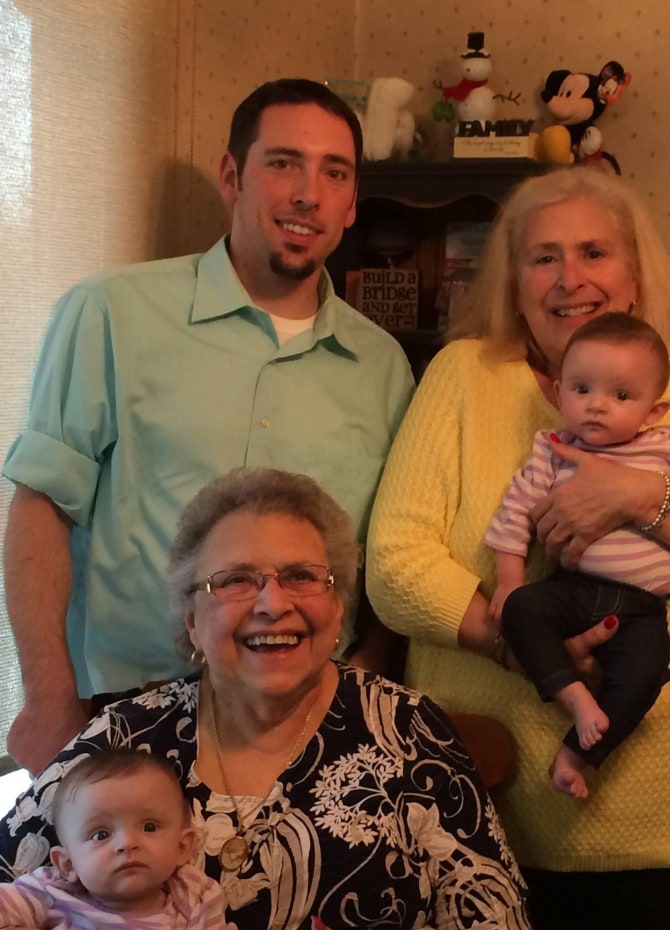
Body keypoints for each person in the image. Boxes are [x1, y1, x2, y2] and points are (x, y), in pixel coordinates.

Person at [366, 165, 670, 930]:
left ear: (636, 273)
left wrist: (636, 496)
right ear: (514, 281)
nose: (569, 278)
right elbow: (395, 564)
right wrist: (519, 640)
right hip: (487, 804)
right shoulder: (463, 375)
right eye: (543, 257)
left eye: (594, 252)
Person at [2, 77, 415, 775]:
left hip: (306, 730)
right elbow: (42, 506)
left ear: (350, 203)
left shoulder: (383, 368)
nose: (308, 193)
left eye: (333, 172)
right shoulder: (111, 313)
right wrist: (47, 696)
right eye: (283, 163)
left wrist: (363, 691)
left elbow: (386, 561)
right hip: (123, 717)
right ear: (232, 176)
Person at [0, 467, 532, 930]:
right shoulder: (124, 737)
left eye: (302, 576)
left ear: (338, 604)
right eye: (234, 580)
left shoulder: (408, 729)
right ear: (191, 621)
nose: (274, 604)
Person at [485, 313, 670, 798]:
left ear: (655, 411)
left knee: (647, 676)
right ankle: (573, 696)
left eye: (622, 395)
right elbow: (514, 515)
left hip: (641, 608)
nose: (597, 406)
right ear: (558, 393)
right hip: (574, 592)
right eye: (582, 389)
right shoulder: (552, 452)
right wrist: (508, 580)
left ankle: (577, 755)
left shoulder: (669, 450)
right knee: (521, 609)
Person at [0, 749, 299, 930]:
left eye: (149, 827)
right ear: (67, 864)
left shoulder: (192, 900)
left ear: (183, 846)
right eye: (101, 835)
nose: (127, 843)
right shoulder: (52, 891)